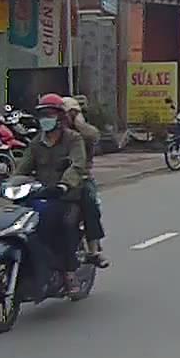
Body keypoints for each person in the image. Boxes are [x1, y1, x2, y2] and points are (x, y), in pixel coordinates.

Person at [12, 93, 87, 295]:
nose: (46, 119)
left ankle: (70, 273)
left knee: (65, 226)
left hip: (66, 195)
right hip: (39, 194)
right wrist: (9, 184)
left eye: (50, 114)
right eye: (43, 115)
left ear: (60, 117)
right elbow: (22, 168)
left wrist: (64, 184)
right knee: (21, 225)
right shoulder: (36, 143)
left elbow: (77, 165)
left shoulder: (73, 139)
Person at [61, 96, 109, 269]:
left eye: (67, 114)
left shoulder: (82, 134)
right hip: (51, 179)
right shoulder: (51, 133)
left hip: (81, 179)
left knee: (90, 204)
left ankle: (93, 251)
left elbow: (94, 136)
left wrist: (79, 123)